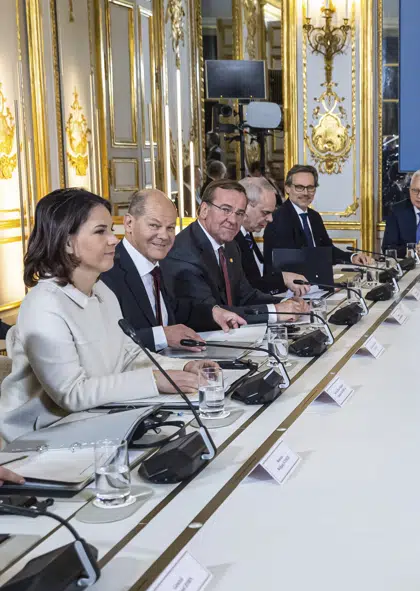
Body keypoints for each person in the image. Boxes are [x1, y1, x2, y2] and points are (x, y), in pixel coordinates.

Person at [0, 188, 219, 444]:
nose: (113, 239)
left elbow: (128, 354)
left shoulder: (101, 290)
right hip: (34, 442)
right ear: (67, 242)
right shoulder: (43, 306)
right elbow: (73, 394)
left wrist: (182, 367)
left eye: (110, 230)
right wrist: (155, 380)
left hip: (92, 422)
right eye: (100, 231)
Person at [100, 189, 246, 352]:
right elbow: (107, 343)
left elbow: (175, 309)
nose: (164, 235)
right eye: (154, 226)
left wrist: (214, 313)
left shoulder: (158, 265)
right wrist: (162, 336)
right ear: (128, 224)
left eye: (170, 228)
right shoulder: (106, 271)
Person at [162, 180, 310, 325]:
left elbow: (245, 295)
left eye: (239, 213)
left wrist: (288, 303)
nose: (233, 220)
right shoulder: (183, 253)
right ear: (204, 210)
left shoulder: (230, 245)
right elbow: (211, 313)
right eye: (226, 210)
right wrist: (275, 312)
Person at [263, 165, 373, 271]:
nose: (305, 193)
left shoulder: (314, 216)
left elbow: (327, 250)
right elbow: (287, 262)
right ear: (287, 188)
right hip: (292, 286)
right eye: (299, 187)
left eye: (310, 188)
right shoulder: (278, 219)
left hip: (316, 281)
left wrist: (352, 257)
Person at [236, 177, 309, 296]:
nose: (270, 219)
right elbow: (245, 288)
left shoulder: (247, 233)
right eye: (265, 212)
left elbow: (257, 280)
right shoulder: (230, 239)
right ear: (245, 206)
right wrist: (282, 279)